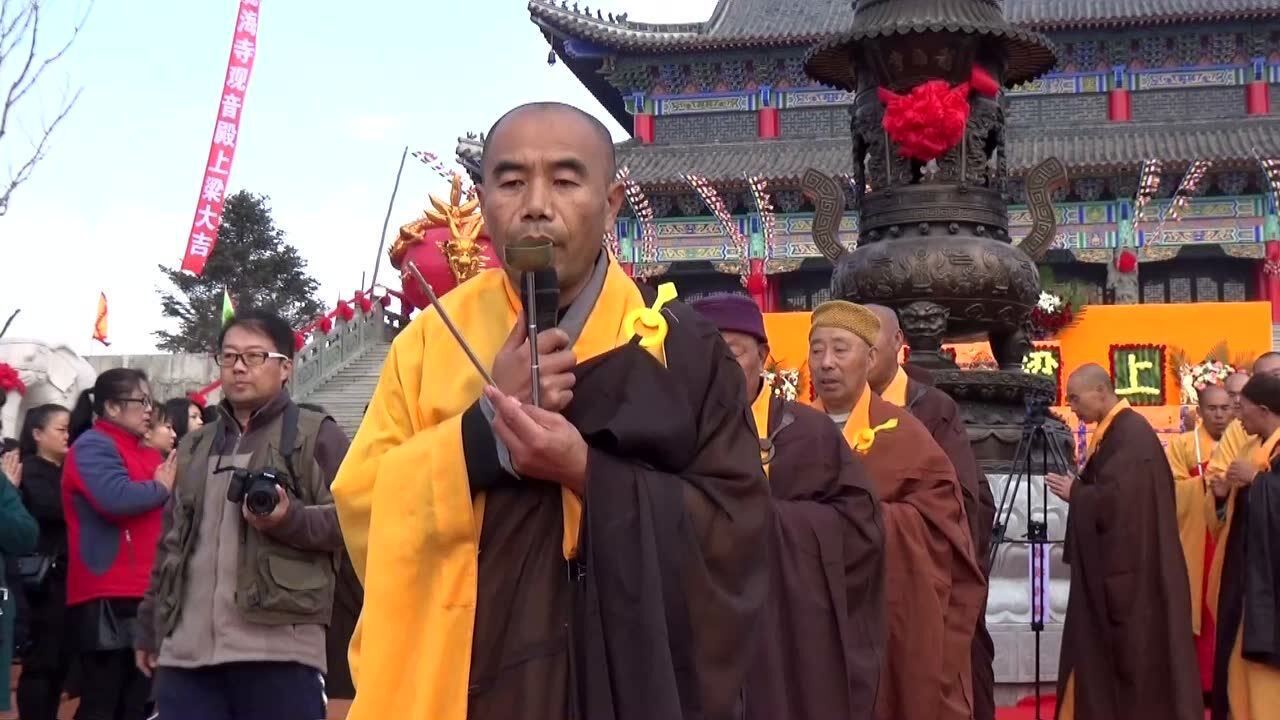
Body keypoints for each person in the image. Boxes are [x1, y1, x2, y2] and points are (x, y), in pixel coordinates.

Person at [332, 101, 770, 720]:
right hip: (465, 685)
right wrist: (481, 437)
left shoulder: (681, 352)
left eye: (565, 180)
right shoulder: (430, 342)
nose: (536, 204)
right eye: (511, 182)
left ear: (612, 203)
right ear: (483, 201)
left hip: (621, 683)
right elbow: (363, 507)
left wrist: (586, 473)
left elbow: (736, 529)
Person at [135, 309, 351, 720]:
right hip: (187, 654)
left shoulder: (315, 434)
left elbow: (356, 522)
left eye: (253, 357)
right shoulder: (196, 446)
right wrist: (150, 624)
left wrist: (290, 520)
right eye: (229, 356)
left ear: (285, 368)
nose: (238, 367)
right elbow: (170, 542)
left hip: (279, 650)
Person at [691, 293, 885, 720]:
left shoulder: (806, 432)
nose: (717, 366)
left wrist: (768, 520)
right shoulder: (675, 434)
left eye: (733, 353)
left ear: (762, 356)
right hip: (699, 627)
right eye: (704, 353)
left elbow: (860, 526)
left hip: (787, 627)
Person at [808, 300, 983, 720]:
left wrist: (857, 524)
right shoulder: (793, 428)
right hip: (810, 618)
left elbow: (944, 527)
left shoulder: (905, 432)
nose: (826, 363)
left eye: (840, 349)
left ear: (870, 357)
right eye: (816, 350)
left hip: (888, 617)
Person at [1047, 364, 1202, 719]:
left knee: (1136, 664)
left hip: (1136, 579)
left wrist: (1078, 494)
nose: (1071, 406)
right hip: (1128, 572)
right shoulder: (1115, 432)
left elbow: (1120, 505)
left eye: (1075, 397)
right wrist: (1083, 492)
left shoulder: (1132, 435)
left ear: (1101, 391)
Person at [864, 304, 996, 720]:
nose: (859, 357)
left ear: (898, 343)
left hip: (928, 587)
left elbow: (961, 502)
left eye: (871, 345)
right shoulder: (832, 416)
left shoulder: (932, 408)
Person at [63, 368, 175, 720]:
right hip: (107, 592)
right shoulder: (93, 445)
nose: (148, 410)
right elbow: (113, 498)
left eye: (150, 402)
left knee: (138, 698)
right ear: (111, 407)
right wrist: (160, 489)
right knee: (103, 697)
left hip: (145, 589)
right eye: (141, 401)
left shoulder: (145, 452)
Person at [1209, 373, 1280, 719]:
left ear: (1265, 410)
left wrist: (1258, 481)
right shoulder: (1252, 447)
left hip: (1272, 588)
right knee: (1237, 670)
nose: (1238, 418)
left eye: (1243, 410)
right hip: (1247, 580)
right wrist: (1222, 496)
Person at [1166, 383, 1233, 696]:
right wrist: (1203, 486)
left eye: (1225, 408)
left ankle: (1230, 683)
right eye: (1212, 409)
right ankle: (1200, 684)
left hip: (1230, 535)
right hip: (1196, 540)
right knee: (1198, 610)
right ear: (1200, 412)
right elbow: (1170, 492)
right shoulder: (1183, 445)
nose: (1219, 415)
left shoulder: (1244, 443)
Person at [15, 404, 73, 720]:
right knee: (41, 663)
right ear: (37, 434)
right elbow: (52, 508)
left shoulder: (65, 470)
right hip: (43, 581)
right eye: (61, 430)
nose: (69, 436)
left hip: (67, 578)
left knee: (59, 663)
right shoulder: (31, 469)